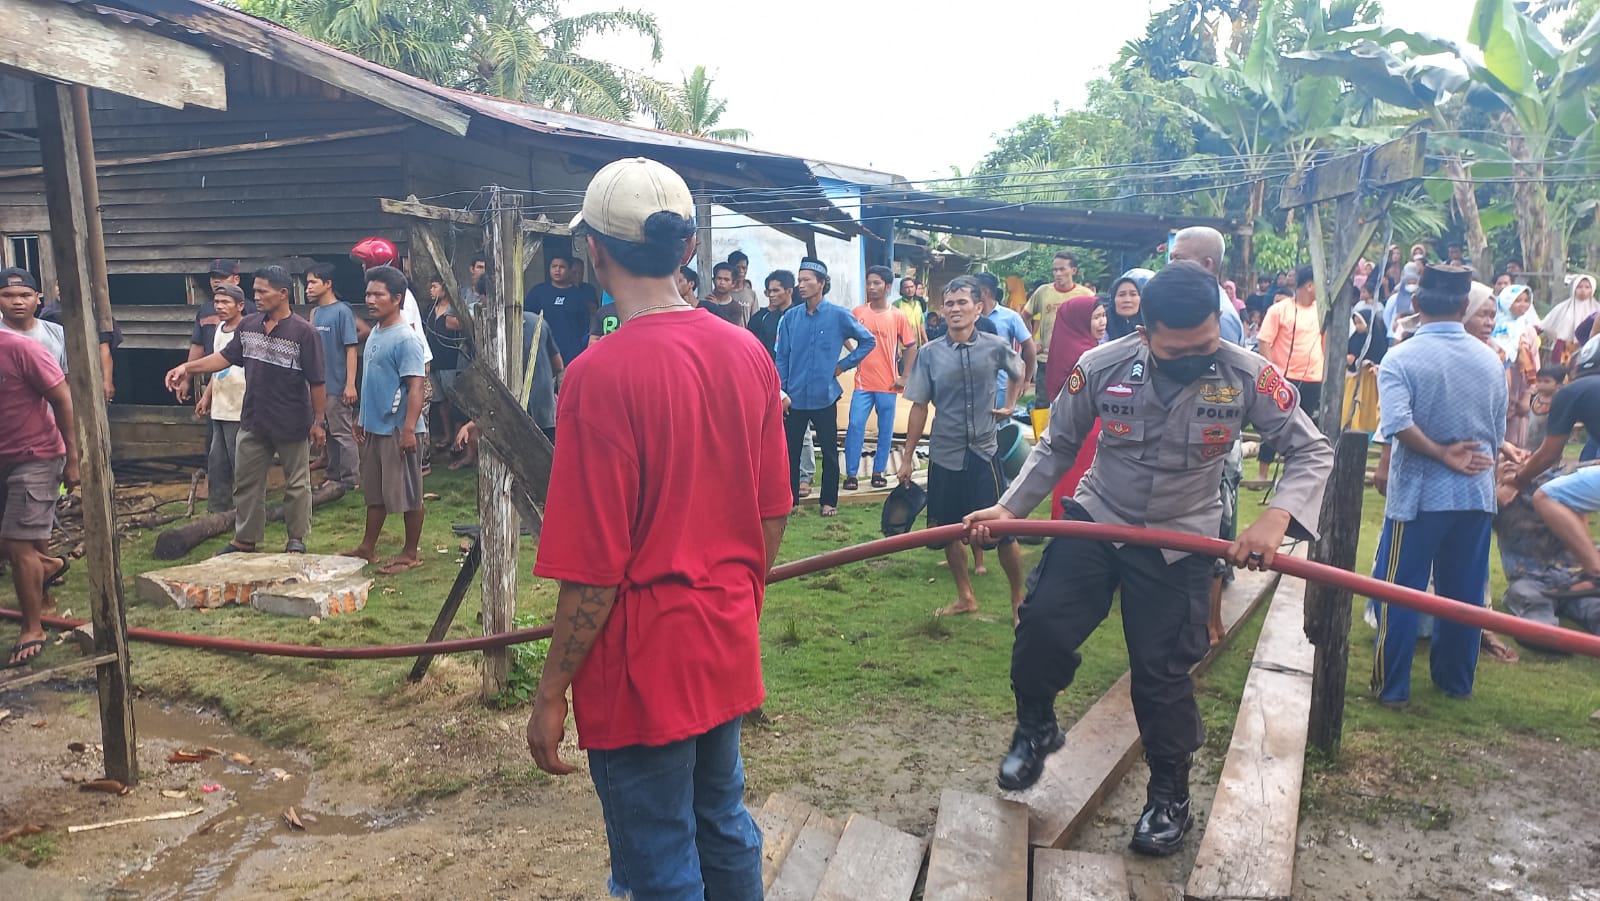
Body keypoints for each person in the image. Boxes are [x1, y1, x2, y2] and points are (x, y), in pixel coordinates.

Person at [967, 260, 1332, 857]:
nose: (1196, 359)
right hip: (1100, 517)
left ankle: (1168, 795)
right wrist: (1009, 508)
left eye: (1206, 346)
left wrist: (1275, 518)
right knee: (1041, 627)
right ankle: (1036, 726)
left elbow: (1311, 451)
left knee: (1162, 673)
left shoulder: (1246, 374)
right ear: (1145, 333)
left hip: (1181, 538)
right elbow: (1057, 445)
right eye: (1177, 351)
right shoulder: (1101, 366)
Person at [523, 157, 789, 901]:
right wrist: (738, 599)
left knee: (659, 864)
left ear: (593, 251)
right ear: (689, 249)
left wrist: (551, 691)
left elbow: (595, 567)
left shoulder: (597, 374)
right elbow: (773, 510)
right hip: (723, 638)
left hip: (641, 665)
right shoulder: (747, 352)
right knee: (725, 823)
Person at [1369, 264, 1506, 709]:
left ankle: (1391, 688)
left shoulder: (1402, 357)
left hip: (1419, 496)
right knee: (1464, 596)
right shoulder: (1490, 361)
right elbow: (1497, 431)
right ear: (1464, 305)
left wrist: (1440, 452)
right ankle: (1456, 683)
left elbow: (1397, 423)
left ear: (1415, 303)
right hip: (1475, 493)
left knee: (1398, 593)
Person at [164, 265, 326, 555]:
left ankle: (296, 538)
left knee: (296, 484)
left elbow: (317, 381)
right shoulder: (249, 326)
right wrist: (187, 368)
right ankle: (245, 539)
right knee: (247, 482)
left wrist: (319, 421)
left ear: (283, 293)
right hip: (253, 419)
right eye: (255, 291)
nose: (257, 297)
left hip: (291, 421)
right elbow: (223, 358)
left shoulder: (304, 332)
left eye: (263, 292)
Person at [897, 275, 1026, 619]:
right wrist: (907, 458)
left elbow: (1020, 369)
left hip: (984, 452)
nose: (955, 309)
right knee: (949, 530)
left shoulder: (996, 346)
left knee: (1003, 532)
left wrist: (1010, 404)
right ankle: (965, 596)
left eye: (962, 303)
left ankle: (1018, 599)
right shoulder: (929, 354)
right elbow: (919, 406)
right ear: (943, 310)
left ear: (978, 307)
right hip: (945, 454)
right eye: (949, 304)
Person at [339, 266, 427, 575]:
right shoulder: (377, 332)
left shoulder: (406, 339)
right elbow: (372, 381)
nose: (370, 300)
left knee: (409, 492)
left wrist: (409, 429)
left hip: (399, 430)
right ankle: (367, 547)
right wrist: (361, 417)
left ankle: (410, 552)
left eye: (378, 294)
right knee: (375, 493)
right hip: (375, 428)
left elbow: (417, 386)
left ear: (397, 298)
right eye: (368, 294)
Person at [0, 327, 78, 669]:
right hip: (3, 457)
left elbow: (62, 398)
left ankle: (33, 628)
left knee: (18, 545)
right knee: (10, 545)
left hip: (37, 455)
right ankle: (47, 566)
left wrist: (73, 458)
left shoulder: (21, 350)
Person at [775, 257, 874, 516]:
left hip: (825, 395)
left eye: (807, 280)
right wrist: (781, 392)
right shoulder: (790, 318)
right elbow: (781, 357)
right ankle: (790, 501)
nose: (801, 285)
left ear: (821, 283)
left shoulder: (839, 315)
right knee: (790, 451)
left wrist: (843, 365)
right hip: (794, 397)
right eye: (799, 280)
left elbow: (868, 341)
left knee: (829, 452)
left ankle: (829, 502)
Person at [845, 266, 918, 491]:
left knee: (885, 429)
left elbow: (911, 346)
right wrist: (855, 355)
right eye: (868, 282)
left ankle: (878, 472)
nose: (871, 287)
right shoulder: (858, 312)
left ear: (887, 287)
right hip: (863, 383)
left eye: (876, 283)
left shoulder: (897, 315)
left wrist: (905, 376)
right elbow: (843, 333)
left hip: (888, 383)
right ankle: (851, 474)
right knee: (855, 425)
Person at [1255, 265, 1326, 482]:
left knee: (1304, 428)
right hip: (1284, 378)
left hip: (1313, 378)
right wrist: (1272, 373)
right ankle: (1262, 473)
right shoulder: (1280, 310)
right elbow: (1264, 341)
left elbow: (1326, 342)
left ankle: (1293, 474)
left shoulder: (1322, 311)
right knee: (1275, 425)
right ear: (1310, 285)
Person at [1044, 294, 1107, 519]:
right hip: (1088, 429)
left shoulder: (1067, 347)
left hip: (1070, 426)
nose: (1102, 322)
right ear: (1079, 320)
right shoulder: (1088, 356)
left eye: (1103, 315)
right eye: (1096, 317)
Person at [196, 284, 248, 513]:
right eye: (216, 302)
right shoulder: (219, 329)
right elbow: (217, 367)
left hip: (240, 407)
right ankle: (218, 511)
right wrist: (206, 396)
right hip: (220, 406)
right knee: (217, 461)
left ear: (240, 305)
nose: (219, 306)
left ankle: (247, 509)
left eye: (225, 302)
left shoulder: (247, 330)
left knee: (241, 462)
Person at [307, 263, 360, 490]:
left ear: (328, 284)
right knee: (327, 432)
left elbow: (351, 349)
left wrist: (350, 384)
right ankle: (333, 474)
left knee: (342, 433)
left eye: (313, 282)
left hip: (337, 385)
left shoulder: (342, 311)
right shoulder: (315, 313)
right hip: (319, 385)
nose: (308, 288)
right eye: (307, 283)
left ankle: (350, 479)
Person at [1025, 252, 1094, 398]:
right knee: (1043, 403)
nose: (1057, 274)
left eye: (1062, 269)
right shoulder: (1043, 292)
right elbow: (1025, 316)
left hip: (1077, 360)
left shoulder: (1086, 295)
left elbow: (1096, 323)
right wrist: (1030, 341)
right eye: (1055, 270)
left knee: (1077, 402)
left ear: (1073, 270)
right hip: (1047, 359)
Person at [1168, 226, 1244, 346]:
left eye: (1178, 258)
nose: (1171, 266)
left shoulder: (1220, 318)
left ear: (1206, 264)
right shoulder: (1197, 304)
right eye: (1171, 258)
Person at [523, 253, 599, 364]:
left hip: (572, 353)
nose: (557, 270)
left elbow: (584, 325)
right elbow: (527, 319)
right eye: (554, 266)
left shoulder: (578, 296)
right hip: (544, 351)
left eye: (562, 267)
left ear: (569, 270)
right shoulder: (538, 292)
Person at [1492, 284, 1539, 448]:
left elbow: (1534, 364)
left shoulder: (1528, 331)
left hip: (1519, 388)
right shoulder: (1493, 327)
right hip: (1496, 385)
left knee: (1515, 434)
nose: (1523, 305)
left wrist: (1527, 396)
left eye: (1526, 300)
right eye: (1517, 300)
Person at [421, 275, 466, 446]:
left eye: (434, 286)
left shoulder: (454, 309)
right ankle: (447, 435)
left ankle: (458, 438)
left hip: (450, 360)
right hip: (434, 360)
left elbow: (464, 326)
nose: (431, 290)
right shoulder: (430, 309)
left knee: (454, 400)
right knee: (439, 401)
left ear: (445, 288)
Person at [0, 268, 67, 370]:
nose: (17, 302)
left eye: (25, 295)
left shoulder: (57, 332)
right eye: (7, 295)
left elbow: (68, 375)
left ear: (37, 298)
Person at [1343, 286, 1388, 433]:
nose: (1357, 326)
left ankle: (1366, 430)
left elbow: (1376, 356)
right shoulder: (1355, 338)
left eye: (1360, 323)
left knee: (1366, 406)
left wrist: (1360, 361)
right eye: (1355, 323)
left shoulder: (1376, 339)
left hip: (1368, 380)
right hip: (1353, 378)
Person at [1539, 274, 1597, 366]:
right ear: (1574, 288)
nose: (1583, 290)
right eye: (1579, 287)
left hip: (1587, 350)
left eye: (1587, 287)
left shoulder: (1596, 310)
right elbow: (1544, 324)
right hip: (1562, 350)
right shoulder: (1563, 307)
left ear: (1592, 289)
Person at [747, 270, 794, 358]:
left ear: (789, 291)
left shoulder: (799, 318)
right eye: (769, 291)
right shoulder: (767, 318)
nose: (771, 295)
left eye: (776, 291)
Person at [1525, 363, 1565, 451]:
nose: (1542, 384)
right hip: (1529, 445)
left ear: (1559, 384)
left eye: (1547, 381)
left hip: (1549, 448)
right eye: (1539, 381)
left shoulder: (1559, 402)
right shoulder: (1534, 398)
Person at [1106, 269, 1152, 341]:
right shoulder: (1102, 329)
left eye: (1133, 294)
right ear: (1113, 299)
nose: (1127, 300)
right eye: (1121, 295)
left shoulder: (1151, 327)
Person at [727, 249, 760, 318]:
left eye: (744, 268)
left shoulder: (751, 294)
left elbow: (755, 319)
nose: (741, 271)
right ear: (731, 267)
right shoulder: (724, 293)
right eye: (737, 267)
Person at [895, 276, 928, 345]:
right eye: (906, 287)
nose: (910, 290)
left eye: (912, 287)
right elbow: (894, 328)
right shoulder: (897, 304)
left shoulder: (918, 304)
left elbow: (921, 325)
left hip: (917, 344)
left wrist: (926, 341)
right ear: (901, 290)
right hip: (903, 345)